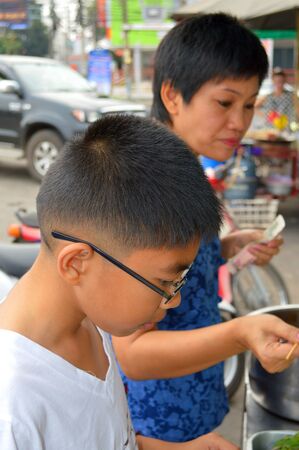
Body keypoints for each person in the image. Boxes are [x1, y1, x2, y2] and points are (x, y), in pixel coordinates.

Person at [0, 114, 244, 449]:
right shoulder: (12, 409)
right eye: (165, 282)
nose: (173, 300)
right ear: (77, 263)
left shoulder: (95, 321)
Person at [112, 13, 288, 443]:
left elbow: (177, 267)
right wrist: (241, 333)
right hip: (159, 417)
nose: (240, 122)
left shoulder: (185, 168)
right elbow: (132, 353)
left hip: (198, 393)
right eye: (225, 103)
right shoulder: (149, 188)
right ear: (172, 95)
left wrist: (229, 248)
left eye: (249, 104)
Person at [256, 67, 296, 131]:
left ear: (284, 81)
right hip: (270, 128)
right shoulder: (268, 97)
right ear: (273, 81)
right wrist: (265, 115)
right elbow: (254, 106)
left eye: (281, 81)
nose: (279, 84)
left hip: (286, 129)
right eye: (277, 81)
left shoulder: (291, 96)